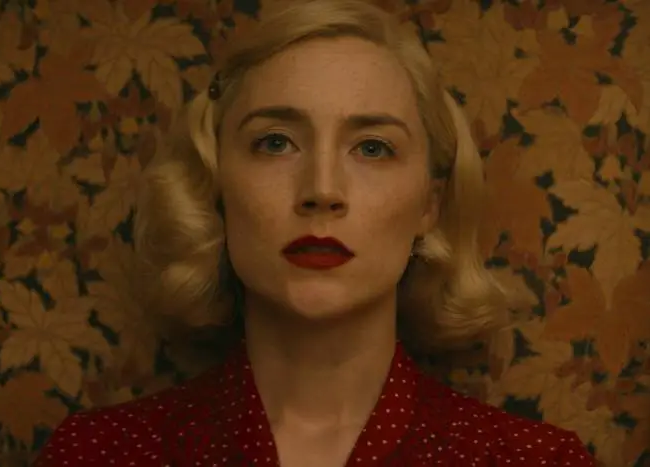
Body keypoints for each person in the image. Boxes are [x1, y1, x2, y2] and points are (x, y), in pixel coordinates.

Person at [34, 0, 597, 465]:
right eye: (275, 142)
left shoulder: (536, 461)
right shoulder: (96, 454)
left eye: (372, 148)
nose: (323, 190)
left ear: (429, 205)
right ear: (215, 187)